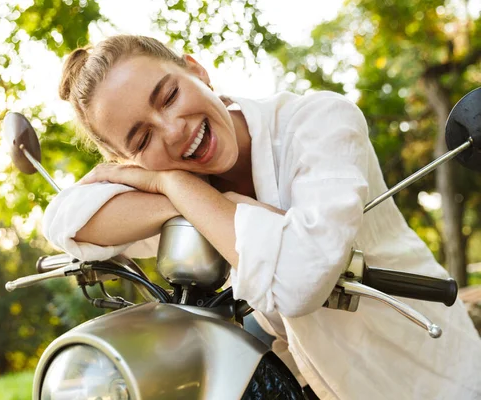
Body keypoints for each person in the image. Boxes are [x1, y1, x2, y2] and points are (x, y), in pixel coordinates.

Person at [42, 35, 481, 399]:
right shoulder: (172, 177)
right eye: (141, 138)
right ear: (126, 160)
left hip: (432, 372)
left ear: (195, 69)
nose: (173, 130)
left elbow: (298, 281)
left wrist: (177, 187)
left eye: (170, 95)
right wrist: (179, 192)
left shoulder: (318, 120)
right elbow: (63, 221)